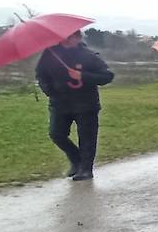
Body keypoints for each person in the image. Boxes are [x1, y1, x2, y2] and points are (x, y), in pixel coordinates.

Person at [34, 31, 114, 181]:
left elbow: (107, 76)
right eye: (66, 36)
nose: (68, 39)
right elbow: (40, 74)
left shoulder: (89, 56)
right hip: (59, 103)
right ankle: (76, 159)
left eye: (73, 37)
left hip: (86, 104)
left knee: (87, 138)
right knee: (56, 134)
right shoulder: (50, 53)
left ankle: (85, 169)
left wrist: (83, 76)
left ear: (78, 38)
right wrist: (49, 91)